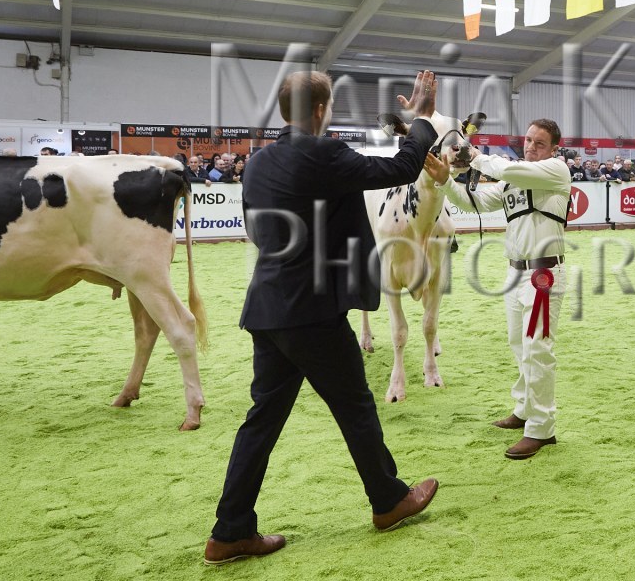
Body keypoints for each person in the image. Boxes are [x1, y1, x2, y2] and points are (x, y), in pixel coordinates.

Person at [206, 70, 441, 566]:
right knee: (356, 407)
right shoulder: (326, 154)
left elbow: (256, 231)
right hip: (312, 311)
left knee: (261, 422)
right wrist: (421, 117)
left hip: (267, 307)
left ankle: (229, 532)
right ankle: (389, 501)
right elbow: (403, 167)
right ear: (319, 110)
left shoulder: (257, 162)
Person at [424, 118, 570, 460]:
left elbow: (508, 169)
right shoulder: (511, 181)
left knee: (538, 350)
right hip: (516, 273)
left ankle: (542, 429)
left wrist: (476, 157)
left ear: (554, 149)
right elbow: (472, 202)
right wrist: (445, 181)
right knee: (519, 345)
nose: (531, 147)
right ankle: (524, 409)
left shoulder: (557, 170)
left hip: (543, 276)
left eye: (540, 143)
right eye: (528, 140)